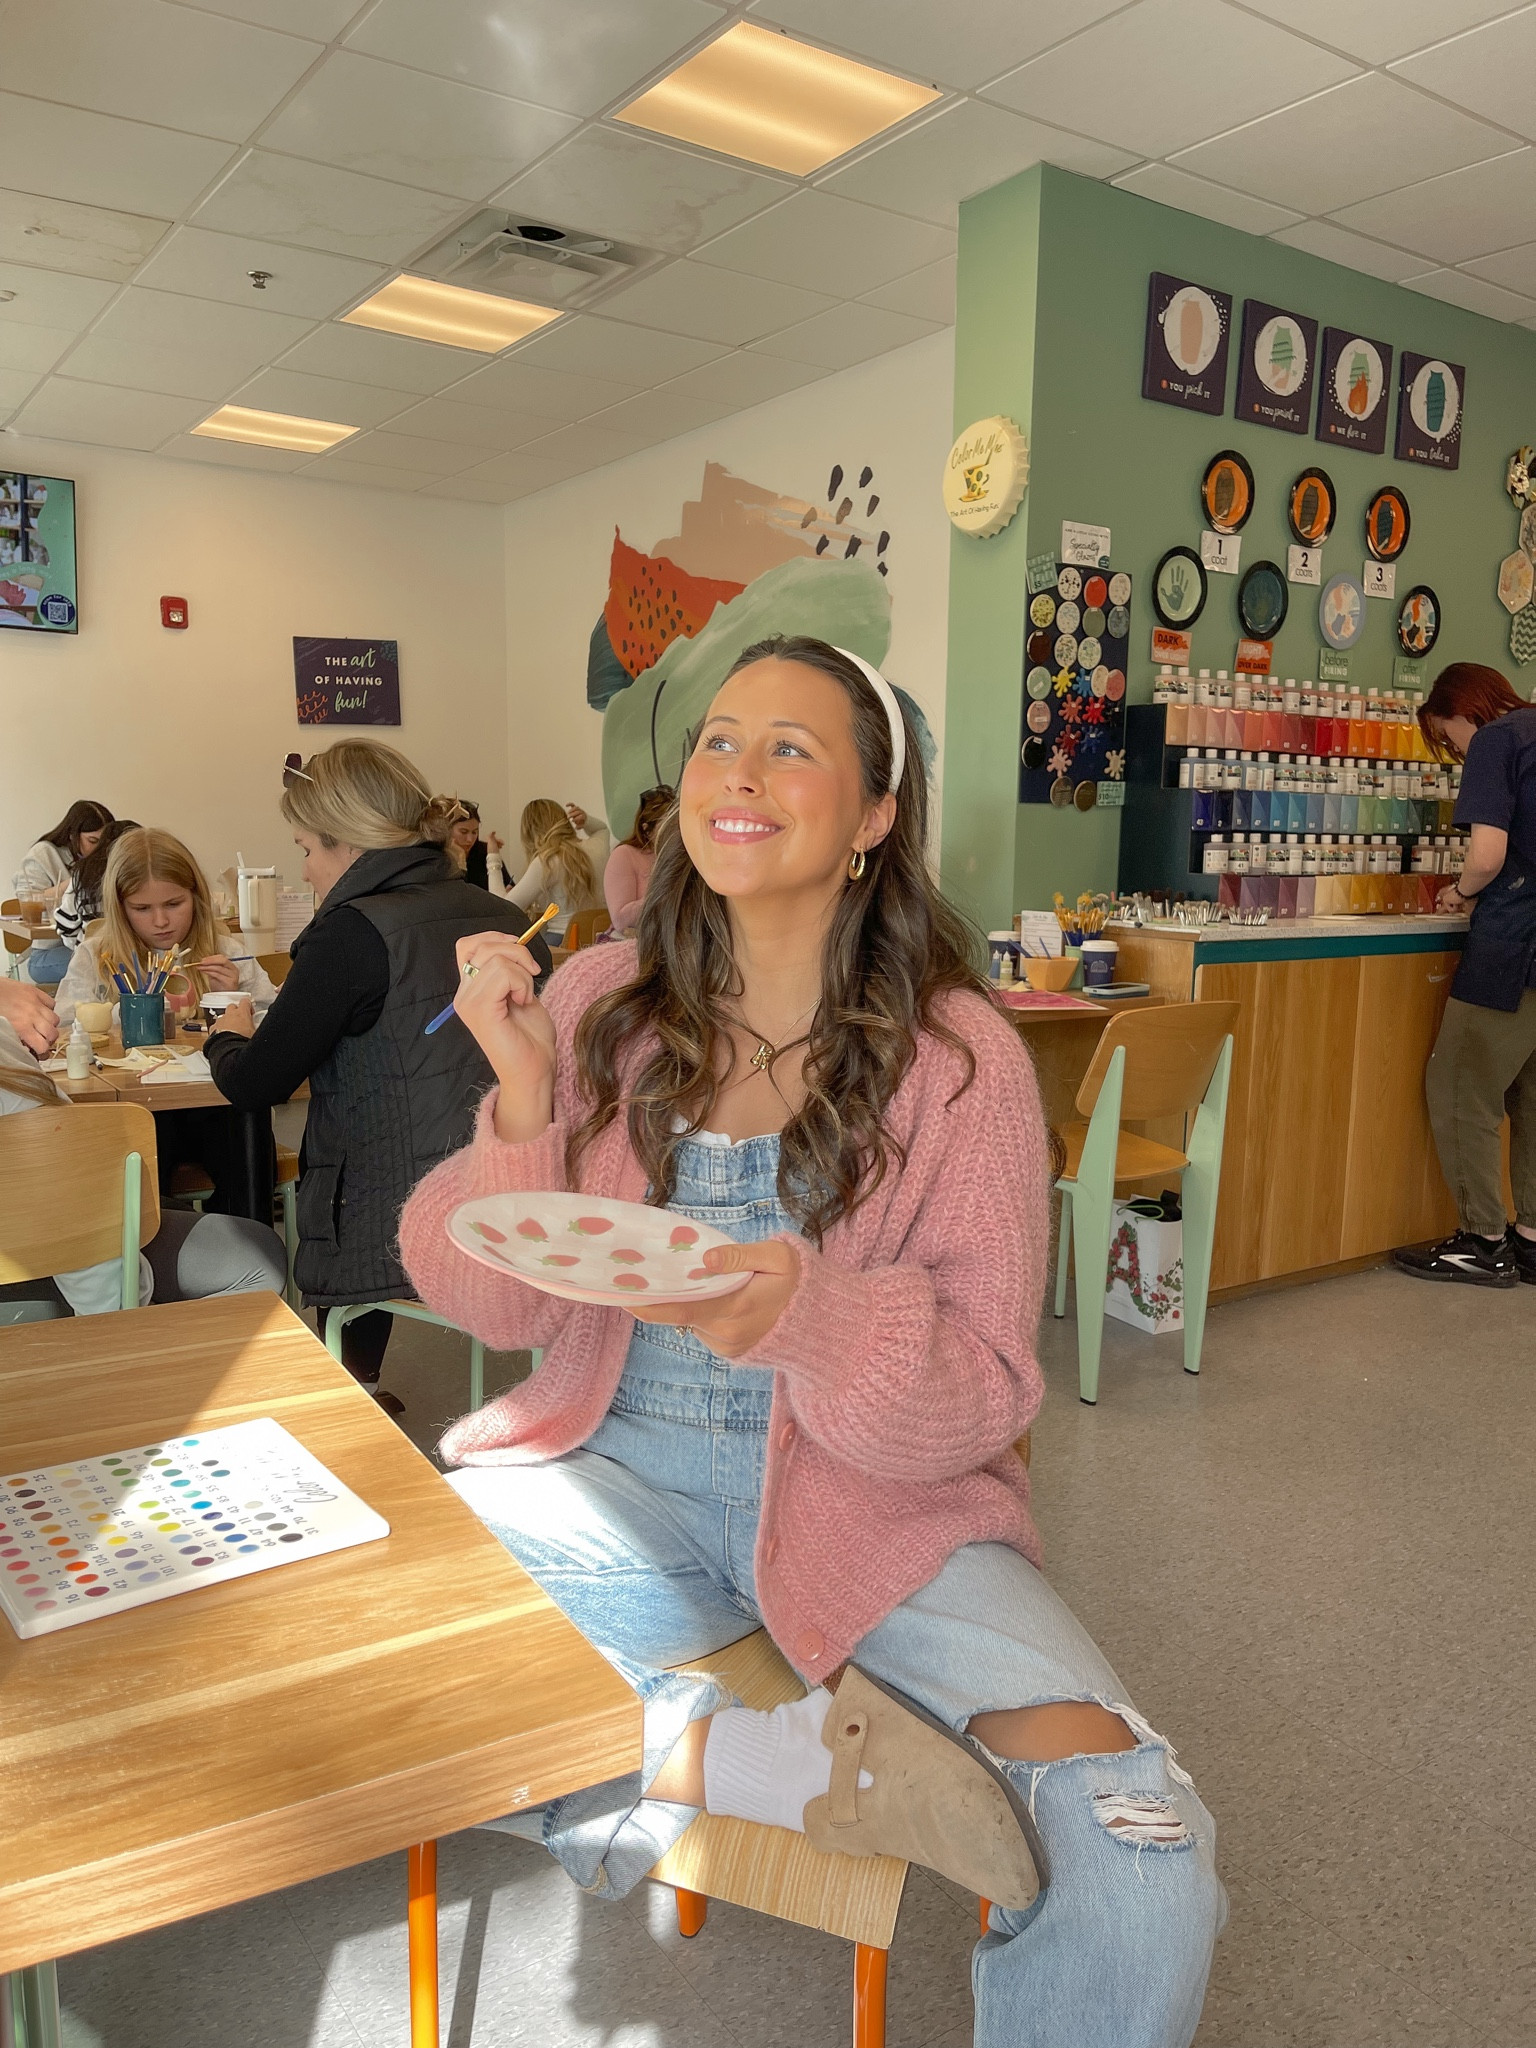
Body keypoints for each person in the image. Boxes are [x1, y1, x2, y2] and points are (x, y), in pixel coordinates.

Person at [399, 635, 1222, 2048]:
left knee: (1145, 1851)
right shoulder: (600, 1004)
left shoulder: (959, 1060)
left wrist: (810, 1320)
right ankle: (763, 1765)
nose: (740, 771)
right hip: (614, 1480)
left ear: (877, 814)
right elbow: (492, 1300)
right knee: (348, 1626)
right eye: (720, 739)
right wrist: (527, 1104)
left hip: (885, 1517)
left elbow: (982, 1396)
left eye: (793, 746)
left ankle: (677, 1749)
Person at [203, 740, 554, 1409]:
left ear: (350, 844)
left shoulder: (352, 934)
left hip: (391, 1221)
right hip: (505, 1197)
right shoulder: (506, 917)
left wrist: (226, 1038)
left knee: (370, 1154)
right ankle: (366, 1385)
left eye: (306, 848)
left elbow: (255, 1084)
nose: (304, 870)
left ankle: (354, 1389)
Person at [0, 1001, 286, 1323]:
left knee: (160, 1199)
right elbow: (69, 1209)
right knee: (262, 1255)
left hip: (61, 1243)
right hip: (72, 1274)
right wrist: (122, 1328)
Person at [1396, 663, 1536, 1288]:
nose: (1454, 749)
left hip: (1512, 950)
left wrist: (1460, 890)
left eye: (1448, 737)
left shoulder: (1497, 741)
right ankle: (1531, 1238)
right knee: (1531, 1097)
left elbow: (1487, 855)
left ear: (1464, 710)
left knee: (1458, 1086)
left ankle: (1484, 1240)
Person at [54, 829, 277, 1028]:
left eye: (173, 904)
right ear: (120, 909)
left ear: (195, 897)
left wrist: (229, 999)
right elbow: (63, 1027)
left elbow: (273, 1023)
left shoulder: (229, 953)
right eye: (142, 908)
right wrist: (124, 1013)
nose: (160, 921)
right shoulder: (94, 957)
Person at [12, 798, 113, 983]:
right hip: (48, 953)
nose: (99, 849)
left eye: (104, 843)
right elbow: (26, 903)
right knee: (106, 964)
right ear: (73, 835)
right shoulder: (44, 853)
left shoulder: (104, 860)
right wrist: (77, 880)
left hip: (91, 944)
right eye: (92, 841)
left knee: (121, 957)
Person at [487, 800, 609, 941]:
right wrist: (587, 821)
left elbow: (502, 909)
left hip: (563, 942)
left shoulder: (548, 860)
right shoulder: (598, 846)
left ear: (530, 831)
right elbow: (602, 829)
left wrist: (493, 857)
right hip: (600, 939)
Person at [51, 818, 141, 952]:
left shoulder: (84, 873)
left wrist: (79, 947)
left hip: (91, 958)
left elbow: (66, 925)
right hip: (141, 959)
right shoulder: (146, 875)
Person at [603, 785, 673, 935]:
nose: (675, 833)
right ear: (646, 829)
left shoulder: (682, 855)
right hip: (632, 943)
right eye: (667, 827)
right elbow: (620, 920)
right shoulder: (624, 855)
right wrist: (667, 895)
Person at [444, 799, 490, 890]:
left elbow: (507, 883)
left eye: (474, 832)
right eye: (463, 832)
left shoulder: (485, 851)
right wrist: (461, 858)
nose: (470, 840)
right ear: (447, 829)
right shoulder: (438, 856)